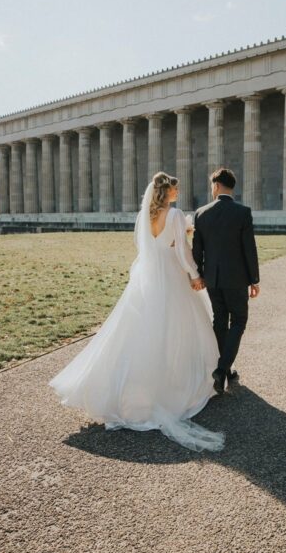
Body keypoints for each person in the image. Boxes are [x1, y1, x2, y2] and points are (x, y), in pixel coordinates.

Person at [49, 172, 224, 451]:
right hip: (171, 274)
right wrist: (193, 273)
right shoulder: (176, 215)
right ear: (168, 191)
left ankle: (132, 387)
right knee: (176, 327)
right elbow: (181, 250)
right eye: (175, 189)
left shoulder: (145, 215)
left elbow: (146, 248)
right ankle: (172, 387)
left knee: (143, 328)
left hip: (150, 275)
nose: (178, 193)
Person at [191, 167, 260, 395]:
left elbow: (197, 250)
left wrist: (199, 275)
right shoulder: (242, 212)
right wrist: (254, 280)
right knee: (239, 321)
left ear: (217, 185)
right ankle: (222, 369)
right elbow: (249, 249)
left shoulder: (201, 213)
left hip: (212, 279)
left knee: (220, 321)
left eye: (212, 185)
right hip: (237, 278)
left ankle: (225, 370)